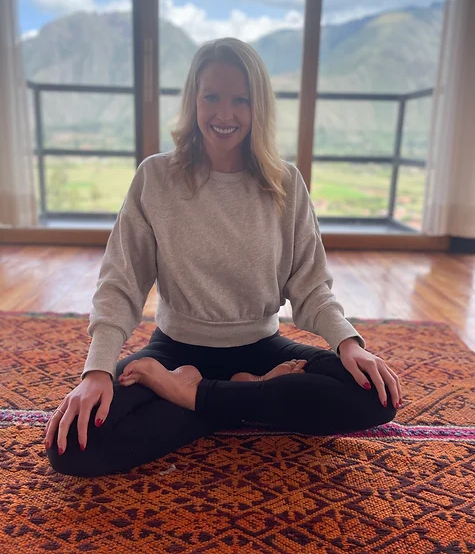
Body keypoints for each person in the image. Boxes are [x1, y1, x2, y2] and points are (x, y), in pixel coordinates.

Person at [45, 37, 402, 478]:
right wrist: (97, 371)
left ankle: (192, 396)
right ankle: (247, 399)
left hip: (262, 348)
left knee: (376, 396)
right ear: (193, 100)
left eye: (241, 100)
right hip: (176, 350)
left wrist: (348, 344)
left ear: (259, 107)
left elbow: (310, 287)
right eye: (211, 97)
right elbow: (121, 283)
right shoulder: (155, 177)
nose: (224, 114)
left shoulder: (286, 184)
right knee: (71, 447)